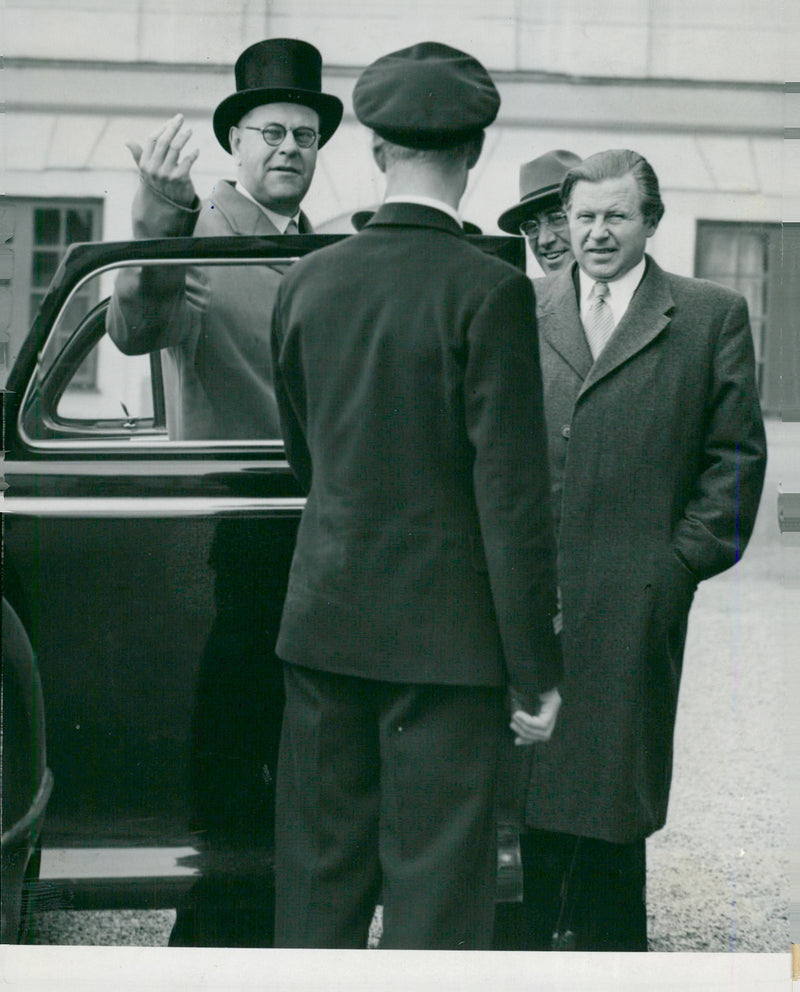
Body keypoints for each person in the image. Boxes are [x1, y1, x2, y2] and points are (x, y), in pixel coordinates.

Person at [270, 41, 563, 950]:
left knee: (317, 887)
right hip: (449, 646)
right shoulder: (492, 291)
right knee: (437, 896)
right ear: (474, 155)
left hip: (325, 623)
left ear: (373, 148)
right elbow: (510, 501)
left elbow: (306, 457)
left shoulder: (307, 280)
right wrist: (535, 671)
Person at [493, 148, 767, 952]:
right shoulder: (518, 308)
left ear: (652, 220)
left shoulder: (708, 315)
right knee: (524, 810)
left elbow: (736, 465)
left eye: (616, 215)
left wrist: (673, 569)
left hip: (633, 605)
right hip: (530, 606)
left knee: (614, 808)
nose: (597, 232)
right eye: (583, 217)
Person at [106, 37, 342, 440]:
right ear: (236, 142)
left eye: (304, 136)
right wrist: (163, 215)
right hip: (229, 493)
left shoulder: (328, 256)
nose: (289, 147)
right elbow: (134, 332)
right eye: (272, 132)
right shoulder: (197, 235)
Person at [497, 149, 581, 274]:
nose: (544, 240)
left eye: (557, 218)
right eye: (531, 226)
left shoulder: (616, 290)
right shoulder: (530, 293)